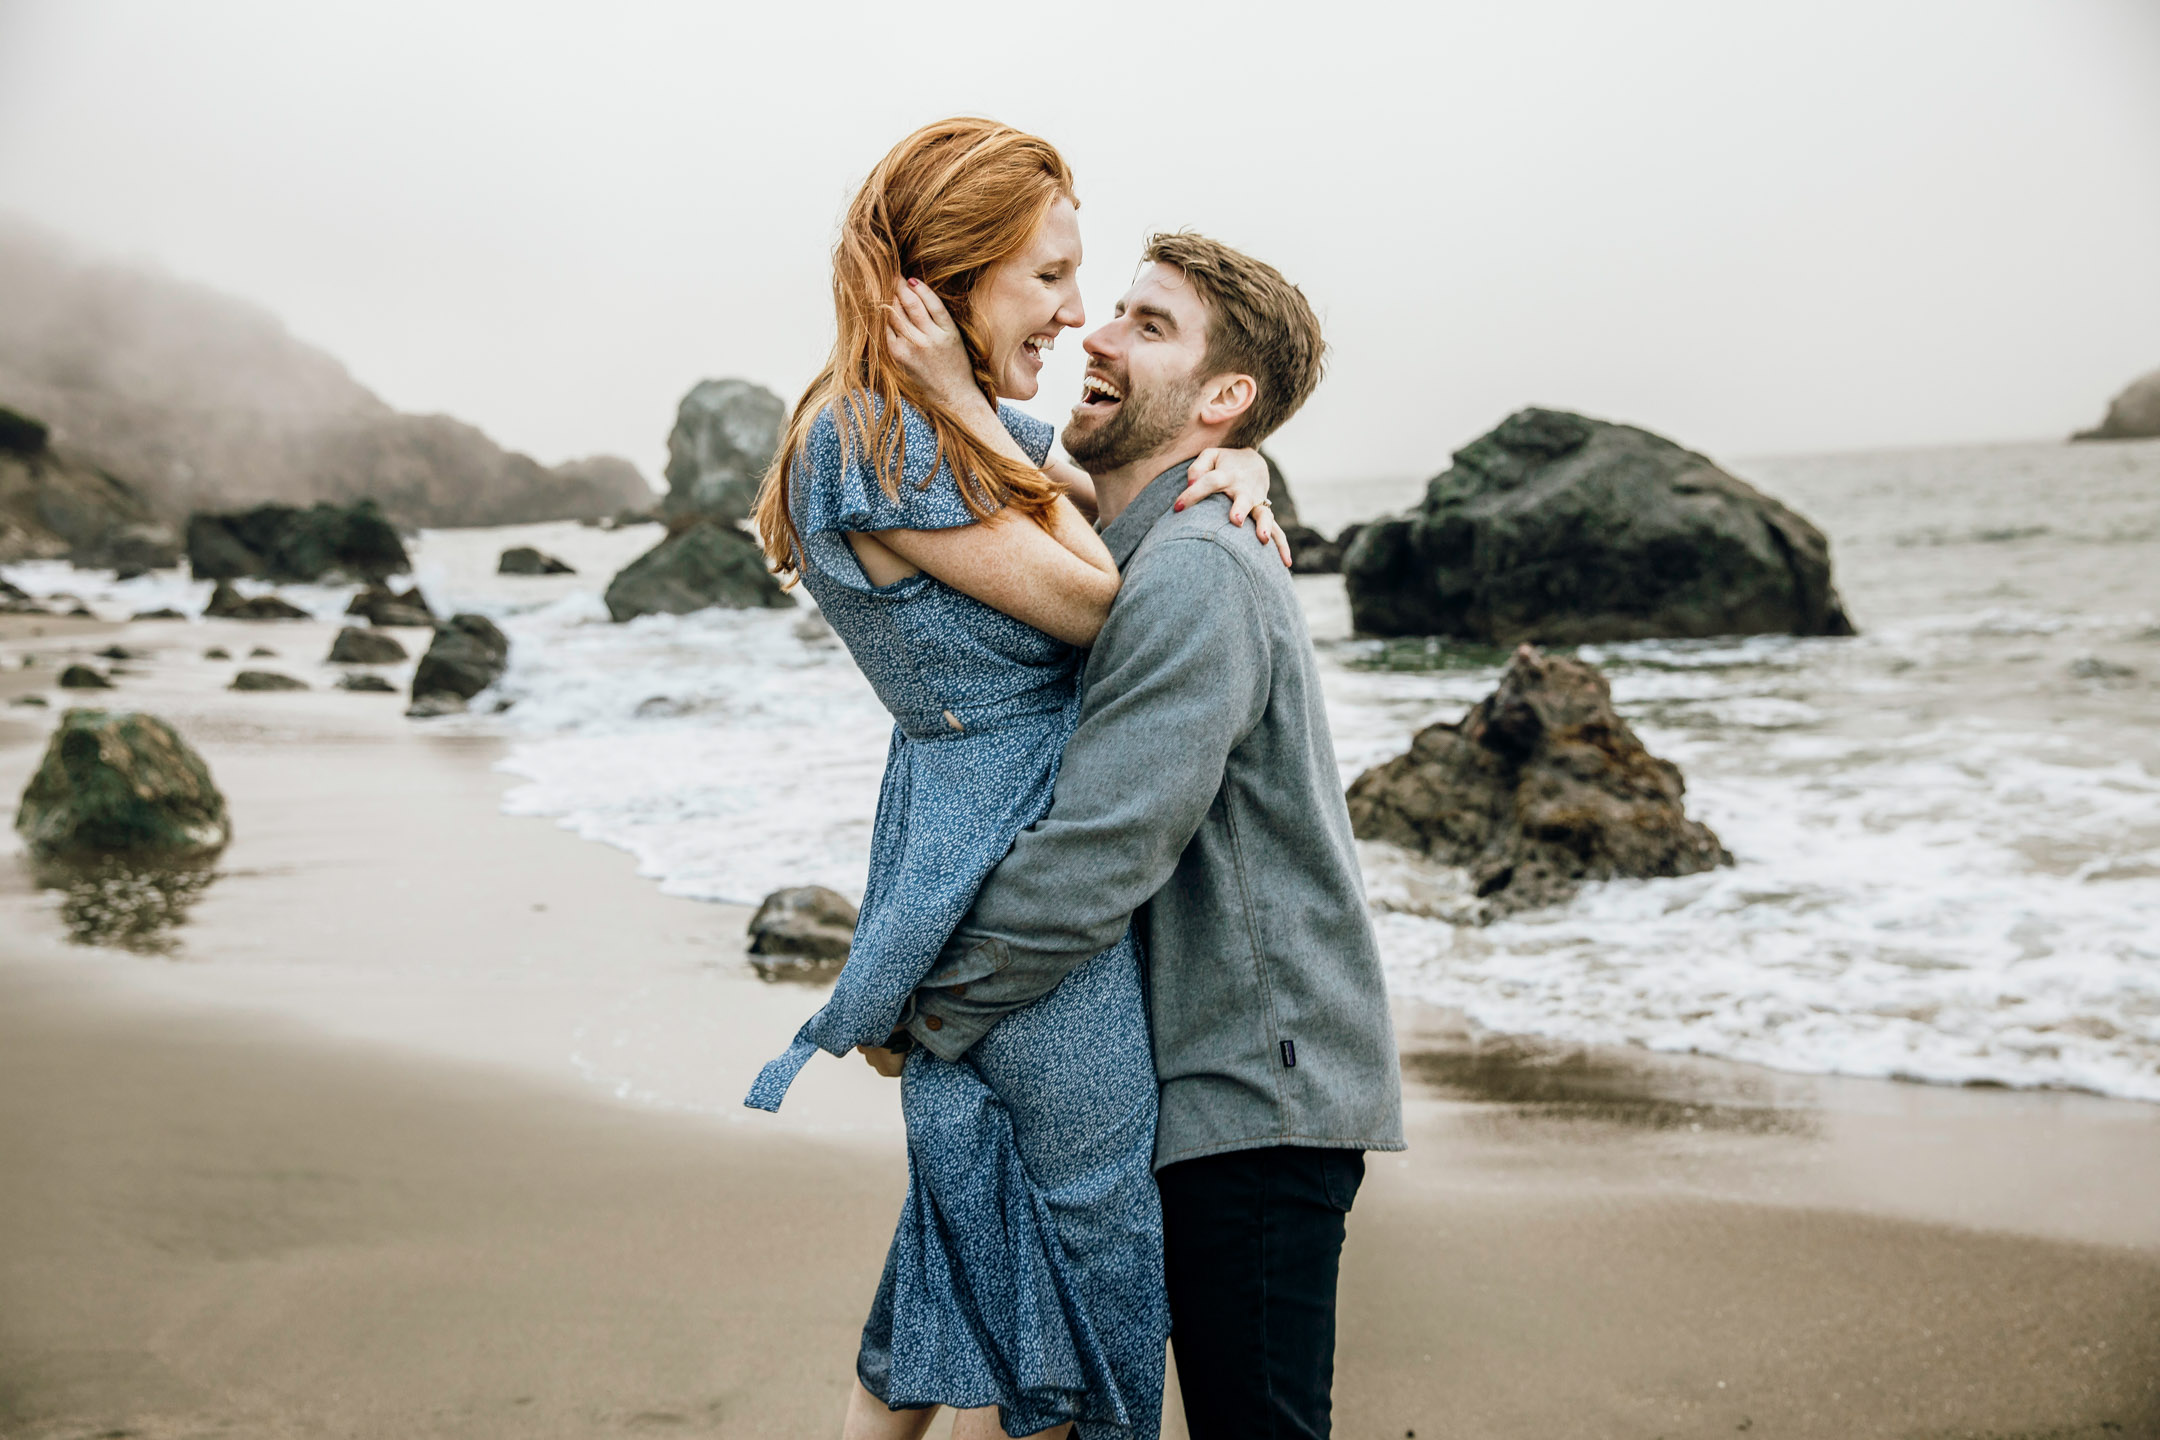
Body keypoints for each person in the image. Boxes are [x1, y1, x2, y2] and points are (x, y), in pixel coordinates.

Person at [741, 118, 1284, 1440]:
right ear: (950, 280)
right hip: (1014, 856)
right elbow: (1100, 597)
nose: (1074, 310)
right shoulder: (885, 434)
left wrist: (1243, 455)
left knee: (968, 1215)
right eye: (1048, 276)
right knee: (1095, 1237)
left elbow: (1100, 478)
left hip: (960, 839)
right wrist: (961, 401)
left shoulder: (917, 424)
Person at [882, 231, 1406, 1440]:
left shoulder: (1197, 572)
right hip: (1186, 1086)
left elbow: (1097, 852)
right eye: (1113, 308)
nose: (1097, 336)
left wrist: (932, 1010)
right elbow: (1005, 469)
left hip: (1255, 1096)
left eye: (1149, 325)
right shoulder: (1121, 548)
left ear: (1225, 401)